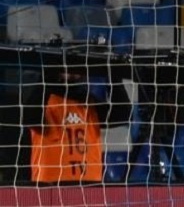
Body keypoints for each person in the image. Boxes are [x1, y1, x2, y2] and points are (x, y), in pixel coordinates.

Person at [0, 68, 132, 184]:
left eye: (75, 69)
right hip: (50, 190)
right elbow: (31, 118)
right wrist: (48, 76)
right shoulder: (45, 100)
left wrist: (114, 78)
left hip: (90, 189)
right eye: (66, 69)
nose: (71, 74)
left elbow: (122, 114)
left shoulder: (88, 102)